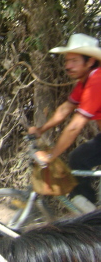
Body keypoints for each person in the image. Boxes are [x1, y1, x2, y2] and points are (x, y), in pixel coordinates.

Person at [28, 33, 101, 211]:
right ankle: (88, 214)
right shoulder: (84, 82)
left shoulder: (97, 80)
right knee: (78, 158)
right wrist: (41, 129)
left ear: (90, 61)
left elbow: (75, 126)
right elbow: (65, 109)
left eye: (74, 61)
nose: (68, 66)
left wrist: (52, 156)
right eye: (67, 61)